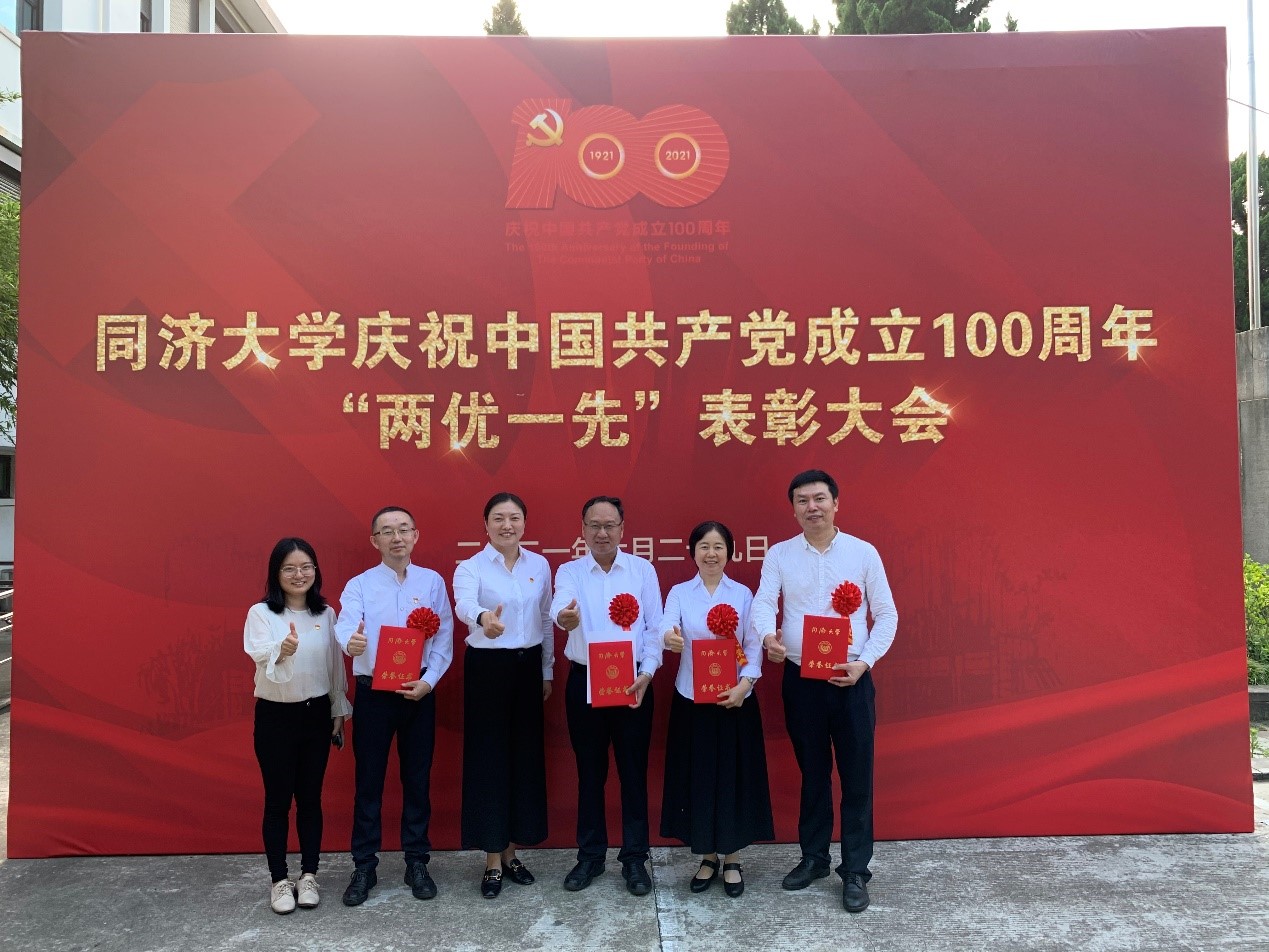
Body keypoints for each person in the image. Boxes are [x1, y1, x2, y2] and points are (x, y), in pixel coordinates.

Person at [752, 470, 897, 914]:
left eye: (819, 498)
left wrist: (864, 662)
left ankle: (855, 871)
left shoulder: (863, 552)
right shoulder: (780, 554)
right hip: (801, 681)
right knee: (813, 774)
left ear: (836, 503)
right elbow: (764, 602)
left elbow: (887, 615)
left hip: (851, 682)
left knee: (856, 778)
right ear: (793, 508)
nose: (811, 507)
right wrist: (767, 636)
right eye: (802, 500)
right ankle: (814, 858)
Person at [334, 506, 454, 907]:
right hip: (374, 695)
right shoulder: (360, 585)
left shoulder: (431, 582)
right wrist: (351, 642)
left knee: (417, 781)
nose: (396, 537)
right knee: (368, 783)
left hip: (418, 692)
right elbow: (346, 624)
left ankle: (416, 862)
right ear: (375, 541)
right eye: (387, 531)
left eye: (403, 529)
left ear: (416, 535)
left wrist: (429, 681)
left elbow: (443, 637)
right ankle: (364, 866)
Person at [550, 495, 663, 896]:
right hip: (585, 680)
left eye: (609, 525)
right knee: (590, 773)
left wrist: (647, 672)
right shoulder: (569, 571)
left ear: (622, 529)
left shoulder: (642, 570)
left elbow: (655, 627)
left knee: (633, 773)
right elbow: (560, 607)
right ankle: (590, 856)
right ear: (582, 530)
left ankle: (634, 858)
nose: (602, 533)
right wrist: (565, 618)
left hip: (633, 681)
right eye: (594, 525)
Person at [661, 521, 772, 897]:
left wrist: (745, 684)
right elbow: (666, 625)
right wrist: (670, 638)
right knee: (699, 778)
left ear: (730, 553)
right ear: (692, 552)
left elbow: (752, 644)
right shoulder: (679, 592)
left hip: (734, 701)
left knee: (732, 779)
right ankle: (707, 857)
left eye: (719, 547)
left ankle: (733, 858)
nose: (711, 554)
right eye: (704, 547)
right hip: (692, 699)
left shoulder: (742, 594)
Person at [453, 492, 554, 898]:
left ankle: (512, 852)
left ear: (524, 524)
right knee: (489, 760)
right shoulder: (471, 567)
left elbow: (545, 617)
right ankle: (492, 859)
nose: (507, 525)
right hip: (488, 669)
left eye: (514, 518)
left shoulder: (539, 565)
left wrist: (547, 669)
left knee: (522, 759)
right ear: (486, 524)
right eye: (498, 518)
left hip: (528, 667)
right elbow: (463, 604)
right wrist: (483, 618)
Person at [243, 537, 351, 915]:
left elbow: (335, 667)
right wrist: (282, 650)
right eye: (289, 568)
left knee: (310, 799)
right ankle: (279, 880)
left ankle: (309, 876)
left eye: (306, 567)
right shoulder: (261, 613)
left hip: (316, 715)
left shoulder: (327, 614)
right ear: (276, 573)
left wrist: (338, 710)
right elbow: (259, 654)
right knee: (277, 801)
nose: (299, 574)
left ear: (315, 571)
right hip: (276, 717)